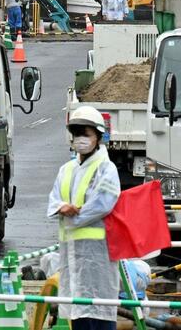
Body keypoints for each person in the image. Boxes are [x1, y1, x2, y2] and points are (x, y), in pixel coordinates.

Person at [47, 106, 121, 330]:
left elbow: (103, 203)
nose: (80, 139)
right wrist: (62, 207)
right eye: (77, 134)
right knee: (77, 312)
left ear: (98, 137)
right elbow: (54, 199)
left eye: (86, 134)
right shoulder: (66, 169)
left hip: (98, 256)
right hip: (72, 256)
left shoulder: (106, 169)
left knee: (100, 313)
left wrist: (72, 216)